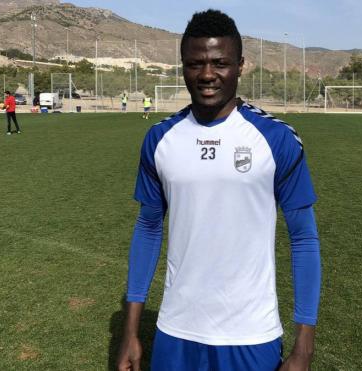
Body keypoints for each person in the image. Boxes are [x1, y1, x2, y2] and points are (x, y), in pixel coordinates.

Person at [117, 9, 321, 371]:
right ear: (182, 66)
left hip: (250, 335)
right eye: (195, 64)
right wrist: (130, 331)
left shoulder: (276, 140)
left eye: (220, 63)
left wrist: (303, 347)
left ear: (241, 65)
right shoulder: (160, 139)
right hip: (175, 331)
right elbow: (148, 228)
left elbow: (304, 238)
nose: (207, 75)